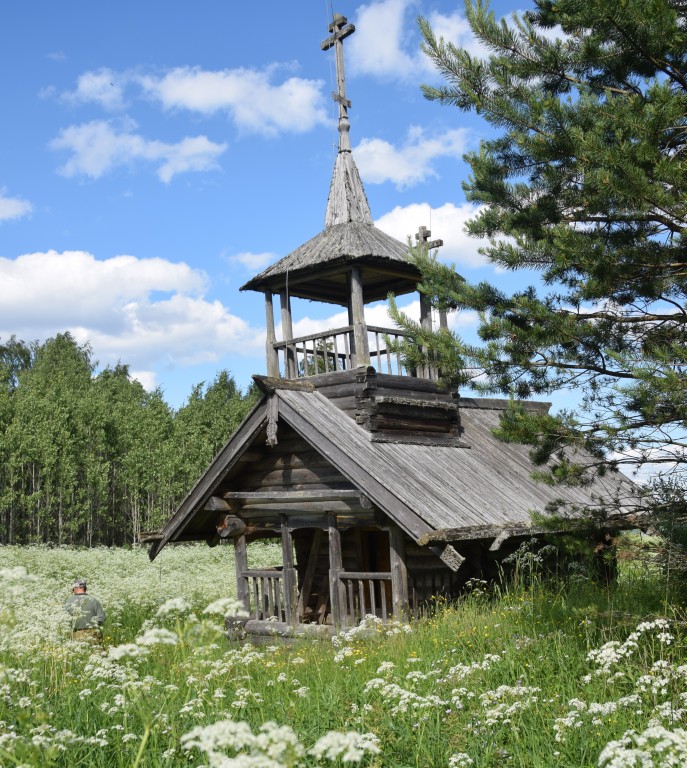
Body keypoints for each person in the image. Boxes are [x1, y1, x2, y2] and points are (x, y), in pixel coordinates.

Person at [64, 578, 106, 643]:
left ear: (75, 588)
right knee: (97, 652)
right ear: (85, 588)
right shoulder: (94, 600)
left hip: (77, 635)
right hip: (94, 634)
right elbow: (101, 619)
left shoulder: (69, 601)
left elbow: (65, 621)